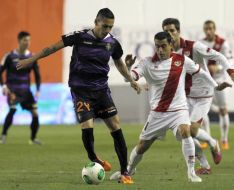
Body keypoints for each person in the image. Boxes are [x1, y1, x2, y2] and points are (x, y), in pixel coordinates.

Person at [16, 8, 141, 184]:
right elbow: (52, 48)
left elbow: (119, 63)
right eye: (105, 26)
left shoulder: (112, 43)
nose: (107, 30)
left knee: (115, 126)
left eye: (110, 27)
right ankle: (94, 158)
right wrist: (31, 59)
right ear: (96, 22)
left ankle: (124, 172)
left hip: (101, 91)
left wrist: (131, 80)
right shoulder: (79, 36)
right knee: (87, 125)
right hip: (81, 90)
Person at [111, 31, 234, 182]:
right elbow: (131, 78)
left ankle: (191, 172)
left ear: (171, 45)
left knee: (186, 132)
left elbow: (201, 73)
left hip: (179, 110)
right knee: (142, 146)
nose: (160, 50)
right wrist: (128, 69)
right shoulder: (147, 63)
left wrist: (216, 87)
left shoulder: (182, 60)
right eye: (157, 47)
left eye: (163, 46)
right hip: (157, 113)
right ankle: (128, 170)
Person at [161, 18, 234, 174]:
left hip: (204, 93)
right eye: (166, 31)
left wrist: (231, 73)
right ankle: (205, 165)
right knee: (181, 134)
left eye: (172, 30)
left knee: (192, 130)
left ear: (178, 31)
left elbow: (219, 56)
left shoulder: (194, 46)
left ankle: (214, 143)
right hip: (184, 96)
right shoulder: (166, 52)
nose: (169, 34)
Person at [0, 31, 41, 145]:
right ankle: (3, 136)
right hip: (12, 89)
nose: (27, 43)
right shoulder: (10, 56)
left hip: (26, 91)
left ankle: (33, 139)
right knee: (13, 109)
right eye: (25, 40)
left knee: (35, 114)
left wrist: (38, 90)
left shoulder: (32, 57)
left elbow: (37, 75)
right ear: (19, 41)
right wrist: (3, 86)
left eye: (29, 40)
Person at [200, 20, 234, 150]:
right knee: (202, 110)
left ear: (214, 29)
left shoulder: (222, 43)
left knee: (223, 109)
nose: (208, 31)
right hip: (206, 81)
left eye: (210, 28)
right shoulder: (201, 43)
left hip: (220, 80)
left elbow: (229, 61)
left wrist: (218, 67)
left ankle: (224, 139)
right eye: (206, 29)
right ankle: (206, 138)